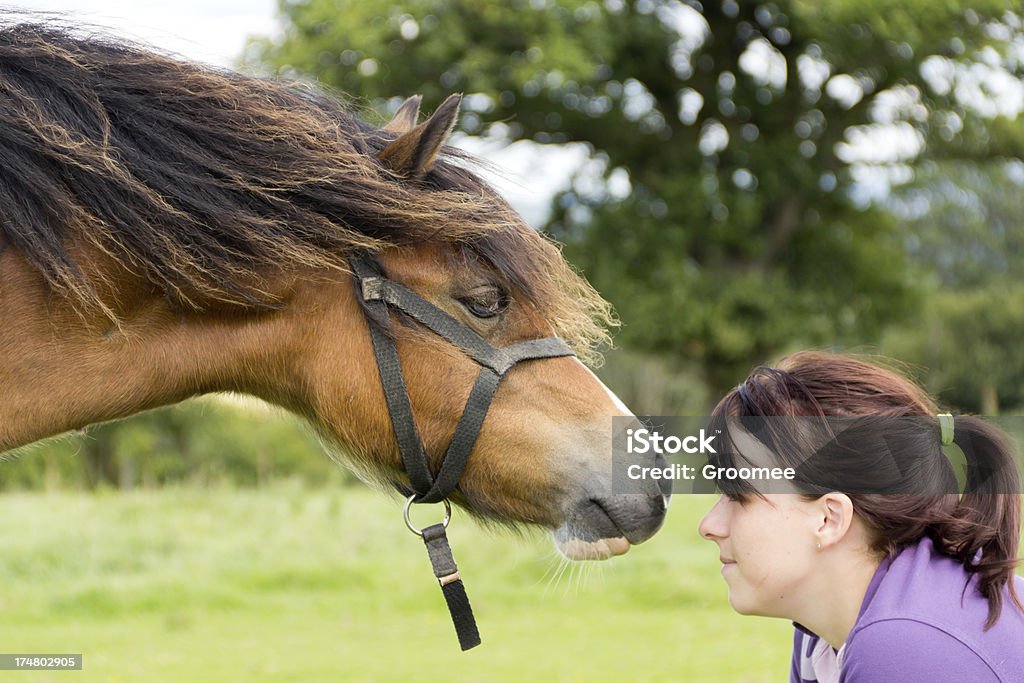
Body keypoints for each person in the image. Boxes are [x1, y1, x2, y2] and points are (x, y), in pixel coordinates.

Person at [698, 351, 1024, 683]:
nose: (708, 526)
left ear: (829, 519)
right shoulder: (822, 635)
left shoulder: (904, 649)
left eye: (738, 497)